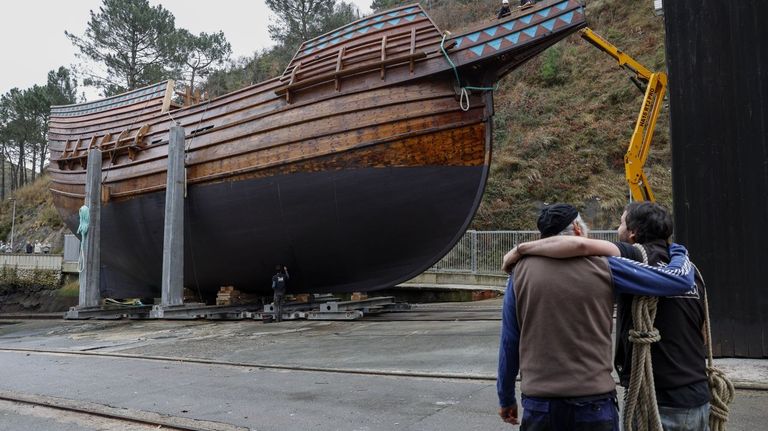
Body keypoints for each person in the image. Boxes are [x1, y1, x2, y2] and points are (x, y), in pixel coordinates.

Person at [503, 202, 710, 430]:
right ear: (578, 228)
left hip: (539, 403)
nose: (616, 228)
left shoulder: (518, 274)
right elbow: (681, 294)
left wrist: (505, 397)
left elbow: (510, 342)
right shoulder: (609, 267)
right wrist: (680, 253)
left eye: (620, 222)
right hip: (597, 401)